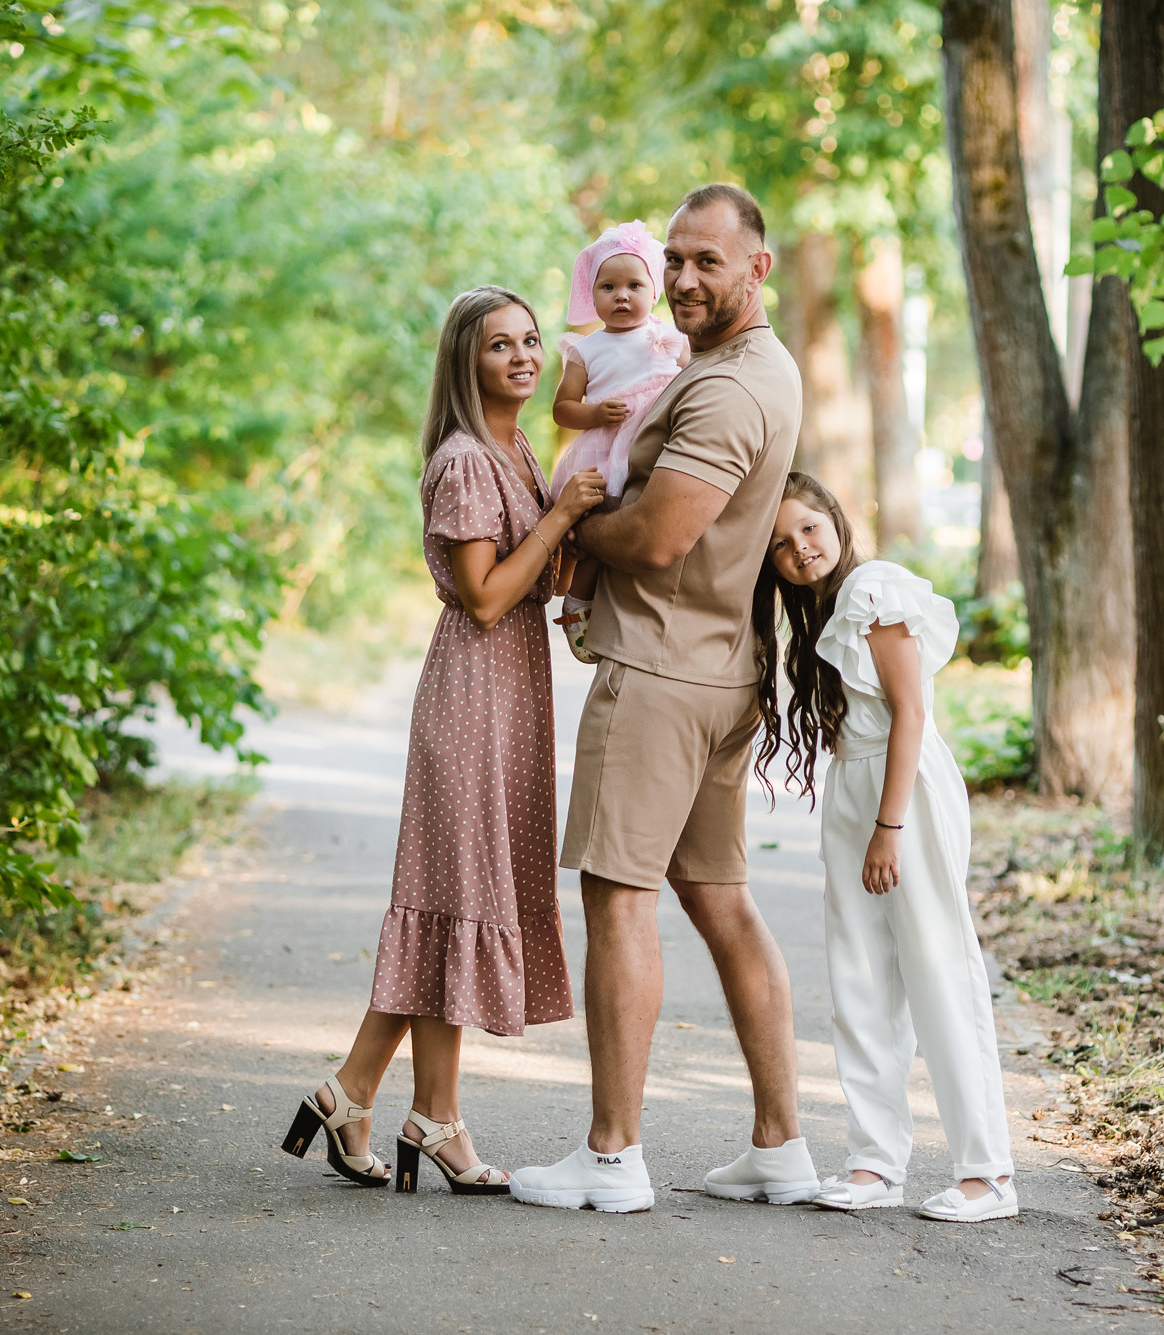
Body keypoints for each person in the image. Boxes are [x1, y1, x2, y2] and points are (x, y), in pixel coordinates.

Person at [508, 185, 817, 1214]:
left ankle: (609, 1160)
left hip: (661, 672)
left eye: (706, 263)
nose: (683, 279)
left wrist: (563, 523)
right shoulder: (743, 368)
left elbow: (655, 539)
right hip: (716, 667)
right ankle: (780, 1147)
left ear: (756, 271)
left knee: (616, 898)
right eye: (673, 258)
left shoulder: (729, 389)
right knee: (718, 900)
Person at [280, 286, 607, 1196]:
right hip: (470, 696)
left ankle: (361, 1094)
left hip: (512, 697)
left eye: (532, 340)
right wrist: (562, 514)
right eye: (500, 344)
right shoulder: (465, 460)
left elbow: (536, 573)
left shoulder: (518, 444)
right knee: (451, 905)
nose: (523, 356)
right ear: (466, 361)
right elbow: (489, 596)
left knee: (447, 905)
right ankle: (432, 1116)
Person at [754, 472, 1019, 1223]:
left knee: (938, 970)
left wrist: (888, 826)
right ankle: (875, 1161)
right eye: (780, 542)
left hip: (904, 794)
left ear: (835, 517)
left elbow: (910, 711)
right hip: (855, 785)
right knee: (861, 979)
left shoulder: (872, 587)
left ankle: (988, 1172)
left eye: (808, 527)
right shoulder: (815, 613)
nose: (800, 549)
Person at [551, 220, 690, 663]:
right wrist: (593, 413)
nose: (622, 295)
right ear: (592, 296)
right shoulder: (586, 349)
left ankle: (642, 611)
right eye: (608, 287)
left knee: (648, 523)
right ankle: (576, 601)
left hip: (656, 443)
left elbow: (693, 382)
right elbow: (563, 408)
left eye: (634, 284)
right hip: (608, 447)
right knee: (598, 528)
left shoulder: (667, 336)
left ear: (655, 290)